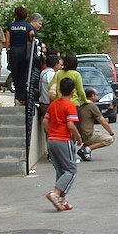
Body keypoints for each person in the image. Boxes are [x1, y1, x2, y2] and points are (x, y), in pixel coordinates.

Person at [42, 76, 82, 212]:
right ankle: (55, 193)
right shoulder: (70, 106)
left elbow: (45, 121)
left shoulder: (53, 104)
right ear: (73, 91)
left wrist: (51, 133)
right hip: (64, 139)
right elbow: (70, 125)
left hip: (52, 140)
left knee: (61, 170)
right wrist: (78, 136)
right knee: (71, 170)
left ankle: (61, 199)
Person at [76, 87, 115, 161]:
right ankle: (87, 149)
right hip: (87, 134)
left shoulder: (81, 105)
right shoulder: (92, 106)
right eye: (96, 94)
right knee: (109, 139)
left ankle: (84, 150)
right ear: (92, 96)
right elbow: (102, 121)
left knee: (97, 131)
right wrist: (111, 133)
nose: (97, 96)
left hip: (81, 133)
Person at [7, 6, 33, 105]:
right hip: (24, 52)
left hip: (14, 52)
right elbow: (32, 38)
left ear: (15, 15)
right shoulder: (28, 26)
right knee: (24, 75)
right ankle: (22, 98)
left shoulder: (10, 26)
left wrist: (8, 51)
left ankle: (17, 97)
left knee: (15, 75)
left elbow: (7, 41)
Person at [38, 54, 62, 122]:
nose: (60, 66)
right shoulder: (51, 74)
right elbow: (52, 90)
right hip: (48, 103)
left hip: (43, 102)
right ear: (56, 64)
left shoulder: (44, 72)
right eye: (59, 64)